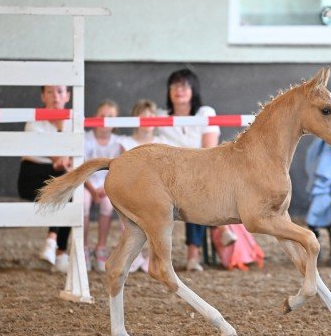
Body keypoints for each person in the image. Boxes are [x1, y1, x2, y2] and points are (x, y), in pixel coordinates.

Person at [157, 68, 236, 271]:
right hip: (172, 176)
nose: (178, 90)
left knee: (196, 189)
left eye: (184, 85)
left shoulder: (205, 113)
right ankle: (220, 228)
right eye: (174, 85)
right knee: (192, 190)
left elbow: (209, 152)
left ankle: (194, 252)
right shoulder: (159, 117)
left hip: (204, 170)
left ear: (193, 89)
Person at [18, 85, 73, 273]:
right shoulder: (34, 121)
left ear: (67, 95)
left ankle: (55, 246)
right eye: (50, 92)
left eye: (59, 91)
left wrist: (63, 161)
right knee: (64, 183)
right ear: (43, 96)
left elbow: (72, 157)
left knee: (68, 186)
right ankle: (58, 247)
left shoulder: (73, 121)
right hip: (32, 176)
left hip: (62, 177)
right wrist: (58, 131)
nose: (55, 97)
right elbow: (47, 153)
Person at [116, 99, 163, 273]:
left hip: (156, 193)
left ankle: (153, 255)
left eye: (152, 116)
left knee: (158, 214)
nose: (148, 119)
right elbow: (123, 174)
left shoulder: (161, 141)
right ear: (135, 119)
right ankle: (133, 254)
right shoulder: (125, 142)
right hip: (132, 191)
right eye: (143, 116)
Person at [83, 99, 123, 272]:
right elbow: (81, 168)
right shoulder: (85, 139)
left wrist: (106, 189)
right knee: (82, 203)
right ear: (94, 117)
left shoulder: (118, 143)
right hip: (86, 184)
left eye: (110, 117)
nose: (105, 120)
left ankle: (101, 246)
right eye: (102, 115)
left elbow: (120, 169)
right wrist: (91, 189)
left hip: (107, 186)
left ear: (116, 122)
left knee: (107, 205)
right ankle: (83, 247)